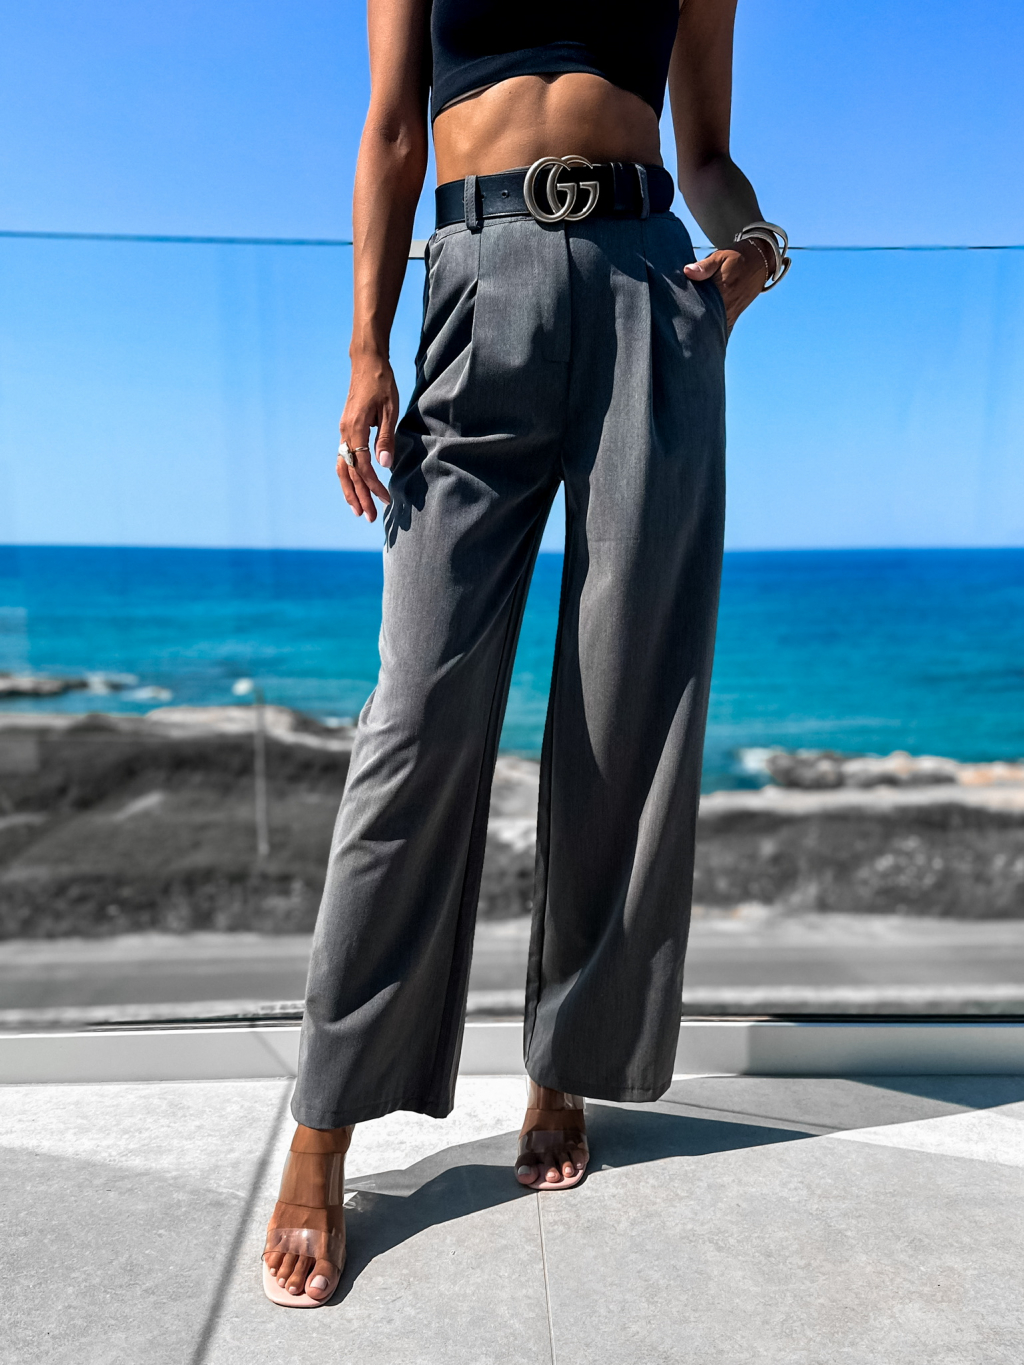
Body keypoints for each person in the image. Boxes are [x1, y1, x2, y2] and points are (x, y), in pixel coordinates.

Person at [262, 0, 789, 1307]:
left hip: (649, 293)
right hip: (474, 280)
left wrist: (757, 254)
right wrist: (365, 346)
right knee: (415, 718)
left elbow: (706, 152)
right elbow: (393, 129)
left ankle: (567, 1063)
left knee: (624, 702)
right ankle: (324, 1119)